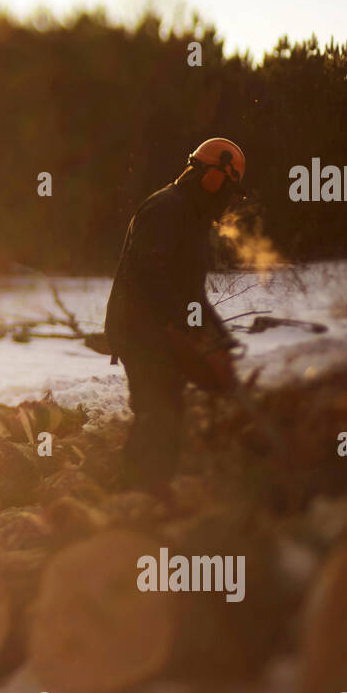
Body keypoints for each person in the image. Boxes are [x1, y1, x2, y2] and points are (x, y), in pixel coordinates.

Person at [103, 137, 246, 495]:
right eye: (227, 186)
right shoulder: (167, 209)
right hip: (141, 331)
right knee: (158, 415)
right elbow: (149, 275)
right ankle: (135, 497)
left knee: (164, 412)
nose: (226, 196)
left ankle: (143, 493)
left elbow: (189, 293)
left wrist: (217, 335)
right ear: (213, 176)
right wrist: (188, 328)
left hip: (161, 331)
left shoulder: (191, 214)